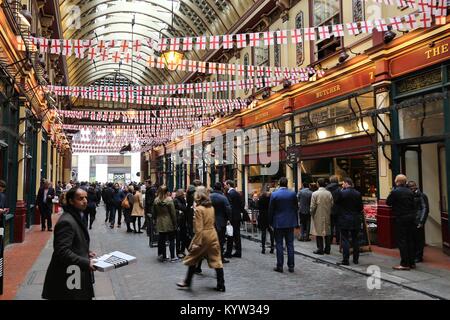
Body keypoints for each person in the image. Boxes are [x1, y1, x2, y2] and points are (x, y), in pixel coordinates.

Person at [42, 187, 96, 300]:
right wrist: (86, 263)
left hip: (74, 272)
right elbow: (62, 251)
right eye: (80, 198)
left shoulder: (78, 216)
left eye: (86, 197)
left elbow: (73, 242)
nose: (85, 201)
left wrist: (86, 251)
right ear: (71, 201)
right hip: (69, 275)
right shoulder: (67, 221)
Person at [177, 186, 225, 292]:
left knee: (193, 258)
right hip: (213, 234)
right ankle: (221, 284)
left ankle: (187, 282)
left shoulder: (199, 209)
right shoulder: (211, 207)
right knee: (216, 259)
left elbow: (199, 229)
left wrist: (196, 243)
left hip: (203, 236)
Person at [268, 177, 299, 273]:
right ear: (287, 184)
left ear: (279, 183)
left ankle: (280, 266)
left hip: (278, 223)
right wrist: (296, 221)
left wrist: (270, 222)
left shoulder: (274, 194)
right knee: (290, 244)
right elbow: (296, 208)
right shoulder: (292, 194)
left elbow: (271, 210)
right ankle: (291, 266)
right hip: (290, 222)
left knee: (279, 244)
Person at [387, 174, 417, 270]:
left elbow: (388, 202)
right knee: (410, 240)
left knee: (402, 241)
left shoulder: (395, 192)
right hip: (411, 218)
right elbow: (413, 205)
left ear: (397, 182)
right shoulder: (410, 192)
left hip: (401, 218)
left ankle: (404, 264)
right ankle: (412, 262)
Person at [335, 178, 363, 266]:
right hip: (355, 219)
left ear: (347, 183)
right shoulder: (358, 193)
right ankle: (356, 259)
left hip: (344, 219)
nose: (342, 185)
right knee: (355, 239)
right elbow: (360, 207)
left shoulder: (342, 193)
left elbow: (337, 203)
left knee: (345, 239)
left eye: (343, 184)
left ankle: (345, 260)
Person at [152, 186, 177, 262]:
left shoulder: (156, 200)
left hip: (160, 221)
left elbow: (154, 213)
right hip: (169, 221)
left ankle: (164, 256)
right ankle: (172, 257)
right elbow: (173, 213)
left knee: (162, 240)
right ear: (167, 192)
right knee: (171, 240)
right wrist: (175, 223)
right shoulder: (169, 200)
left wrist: (154, 220)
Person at [224, 180, 248, 258]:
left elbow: (229, 206)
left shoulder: (230, 193)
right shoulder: (237, 193)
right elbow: (241, 205)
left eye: (225, 185)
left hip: (232, 217)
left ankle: (229, 252)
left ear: (228, 185)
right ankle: (238, 251)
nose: (224, 186)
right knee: (237, 234)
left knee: (230, 234)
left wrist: (228, 217)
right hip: (237, 216)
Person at [407, 181, 430, 263]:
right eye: (410, 187)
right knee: (412, 239)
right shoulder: (409, 196)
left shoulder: (422, 195)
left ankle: (419, 256)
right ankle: (413, 255)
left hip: (418, 220)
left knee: (419, 240)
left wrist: (421, 221)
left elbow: (425, 208)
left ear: (416, 186)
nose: (412, 188)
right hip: (411, 220)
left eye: (413, 186)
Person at [310, 178, 334, 255]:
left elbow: (312, 206)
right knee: (327, 232)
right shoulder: (329, 193)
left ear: (318, 184)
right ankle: (327, 249)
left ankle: (320, 249)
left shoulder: (315, 194)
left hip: (318, 214)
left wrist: (312, 213)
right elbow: (332, 204)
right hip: (327, 214)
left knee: (318, 232)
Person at [210, 182, 232, 263]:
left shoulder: (209, 197)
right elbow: (228, 209)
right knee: (220, 240)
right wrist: (229, 218)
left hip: (210, 221)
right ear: (221, 188)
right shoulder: (223, 198)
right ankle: (220, 257)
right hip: (221, 221)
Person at [257, 187, 274, 254]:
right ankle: (272, 247)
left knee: (263, 233)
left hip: (262, 217)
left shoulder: (260, 199)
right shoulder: (270, 199)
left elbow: (257, 206)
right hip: (269, 217)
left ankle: (263, 247)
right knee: (271, 232)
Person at [173, 189, 189, 258]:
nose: (184, 195)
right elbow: (181, 208)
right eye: (183, 194)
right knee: (178, 237)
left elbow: (184, 208)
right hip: (178, 221)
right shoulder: (176, 200)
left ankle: (182, 250)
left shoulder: (183, 200)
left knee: (184, 237)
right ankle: (178, 251)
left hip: (183, 220)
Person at [326, 176, 341, 245]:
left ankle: (330, 240)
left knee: (330, 226)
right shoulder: (339, 189)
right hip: (338, 209)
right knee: (337, 225)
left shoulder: (327, 189)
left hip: (329, 209)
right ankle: (338, 240)